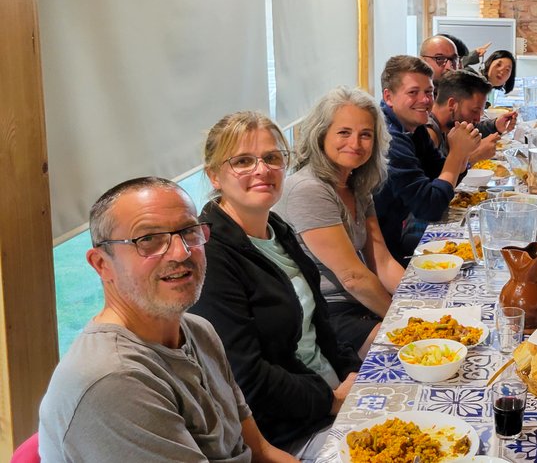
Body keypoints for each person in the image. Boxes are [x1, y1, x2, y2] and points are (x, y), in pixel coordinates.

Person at [39, 177, 297, 462]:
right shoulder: (113, 379)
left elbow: (260, 451)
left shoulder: (199, 331)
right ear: (102, 264)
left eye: (189, 231)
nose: (181, 252)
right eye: (148, 240)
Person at [191, 112, 362, 459]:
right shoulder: (209, 254)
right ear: (214, 175)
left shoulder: (278, 229)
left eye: (271, 157)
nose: (262, 169)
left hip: (334, 395)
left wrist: (352, 372)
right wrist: (331, 401)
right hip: (291, 430)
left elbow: (320, 324)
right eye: (243, 161)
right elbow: (247, 378)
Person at [275, 87, 405, 359]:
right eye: (344, 132)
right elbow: (353, 278)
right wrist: (403, 320)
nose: (355, 143)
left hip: (359, 304)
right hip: (324, 313)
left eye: (365, 134)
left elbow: (382, 261)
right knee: (409, 352)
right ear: (321, 134)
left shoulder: (357, 185)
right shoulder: (309, 189)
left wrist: (417, 299)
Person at [373, 55, 480, 263]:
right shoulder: (389, 138)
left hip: (395, 234)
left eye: (429, 92)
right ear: (388, 97)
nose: (425, 100)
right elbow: (430, 207)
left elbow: (439, 174)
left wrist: (463, 154)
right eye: (413, 92)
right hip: (381, 251)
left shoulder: (414, 127)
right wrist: (457, 154)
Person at [424, 70, 501, 163]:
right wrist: (475, 155)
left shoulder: (445, 127)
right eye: (474, 111)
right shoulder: (428, 135)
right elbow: (438, 172)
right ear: (452, 104)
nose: (478, 119)